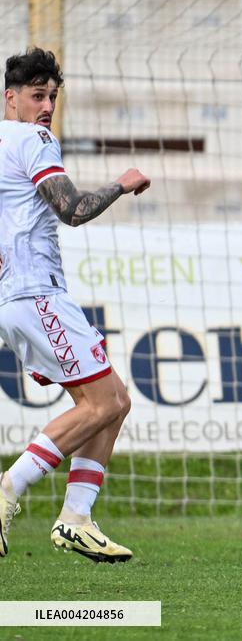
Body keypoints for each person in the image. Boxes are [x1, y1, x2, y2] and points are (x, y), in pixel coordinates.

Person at [0, 48, 151, 562]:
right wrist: (123, 183)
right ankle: (8, 488)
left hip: (14, 297)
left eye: (52, 97)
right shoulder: (34, 139)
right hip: (35, 292)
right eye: (36, 96)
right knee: (104, 404)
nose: (46, 107)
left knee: (114, 400)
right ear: (11, 98)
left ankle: (76, 518)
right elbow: (73, 209)